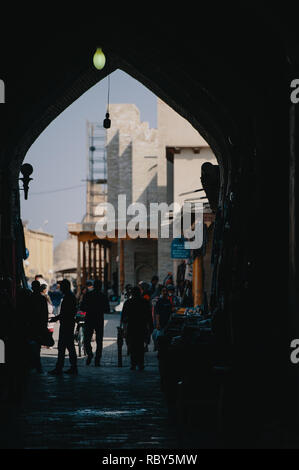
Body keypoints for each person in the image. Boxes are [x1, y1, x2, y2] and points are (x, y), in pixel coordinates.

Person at [48, 279, 78, 375]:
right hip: (68, 324)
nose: (60, 288)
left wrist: (55, 318)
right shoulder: (70, 296)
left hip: (67, 325)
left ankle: (61, 368)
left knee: (63, 347)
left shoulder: (68, 297)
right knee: (68, 347)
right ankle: (70, 367)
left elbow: (65, 313)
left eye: (62, 287)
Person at [121, 286, 153, 371]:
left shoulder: (128, 302)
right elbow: (149, 316)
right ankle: (140, 363)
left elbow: (123, 317)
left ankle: (133, 364)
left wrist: (123, 328)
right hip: (142, 327)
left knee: (132, 346)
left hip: (131, 327)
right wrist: (151, 327)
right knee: (140, 346)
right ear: (140, 293)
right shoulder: (145, 302)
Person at [80, 279, 110, 366]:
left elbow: (82, 307)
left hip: (89, 319)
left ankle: (90, 354)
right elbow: (107, 309)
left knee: (86, 339)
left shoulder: (88, 295)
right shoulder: (103, 296)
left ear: (94, 286)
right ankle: (97, 360)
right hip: (99, 320)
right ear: (101, 286)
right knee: (99, 340)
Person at [27, 280, 49, 373]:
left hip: (31, 326)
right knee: (37, 346)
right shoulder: (42, 299)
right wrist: (44, 325)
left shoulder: (29, 298)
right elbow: (45, 314)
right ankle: (37, 365)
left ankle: (34, 364)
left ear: (32, 288)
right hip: (39, 325)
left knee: (31, 345)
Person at [41, 284, 54, 348]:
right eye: (46, 289)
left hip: (48, 315)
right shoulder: (44, 296)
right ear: (44, 289)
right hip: (47, 315)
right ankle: (47, 343)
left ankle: (46, 343)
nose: (46, 290)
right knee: (48, 330)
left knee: (48, 329)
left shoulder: (45, 296)